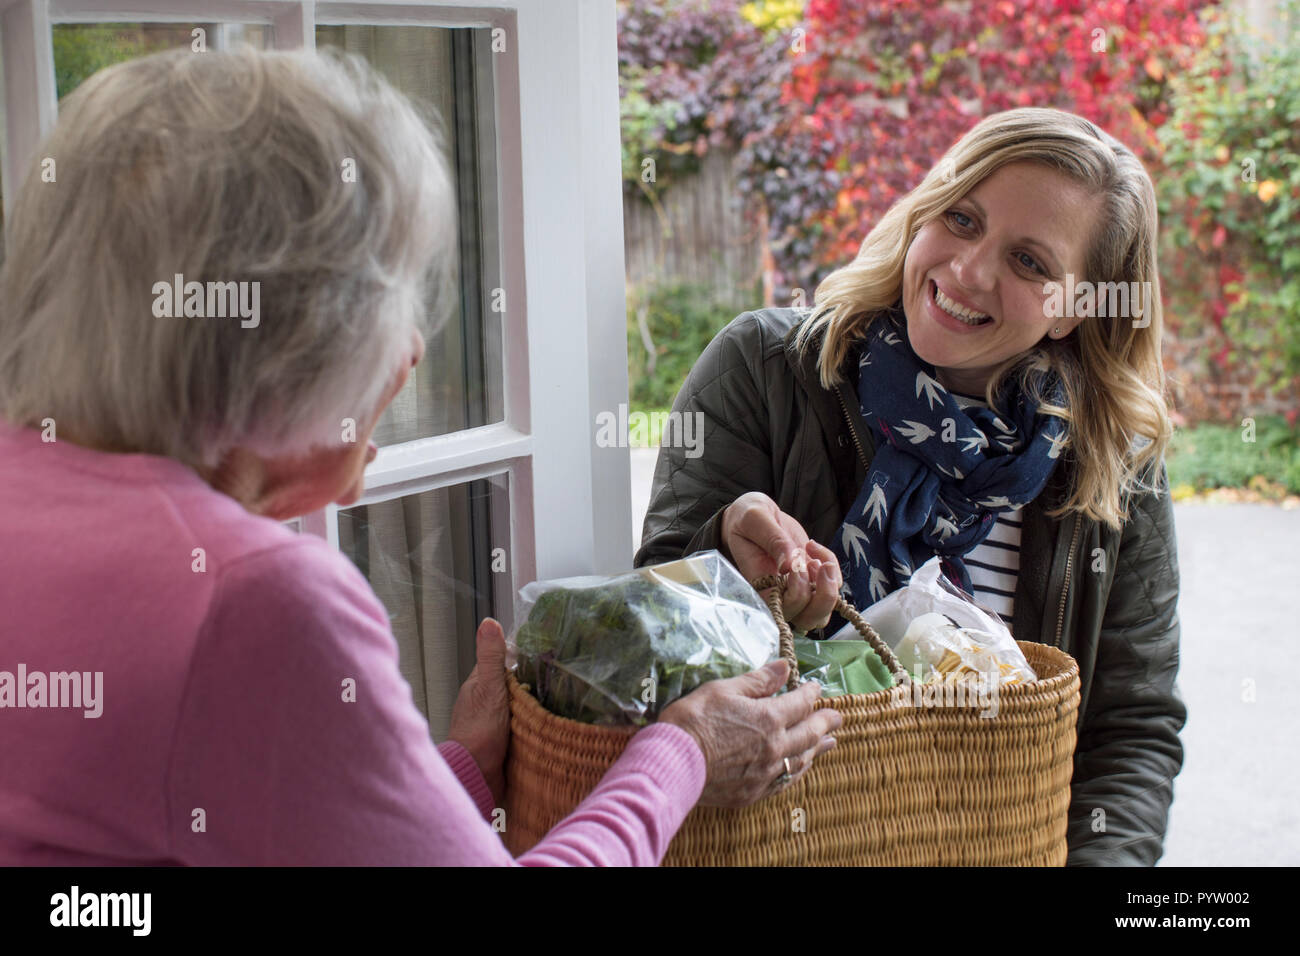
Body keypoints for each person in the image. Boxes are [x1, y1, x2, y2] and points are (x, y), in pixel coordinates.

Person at [0, 47, 840, 866]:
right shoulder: (254, 600)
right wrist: (682, 752)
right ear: (299, 339)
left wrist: (456, 773)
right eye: (394, 293)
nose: (410, 351)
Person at [636, 107, 1187, 866]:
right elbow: (648, 640)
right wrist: (723, 556)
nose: (968, 270)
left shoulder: (1114, 461)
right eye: (961, 219)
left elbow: (1130, 732)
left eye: (1030, 263)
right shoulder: (763, 370)